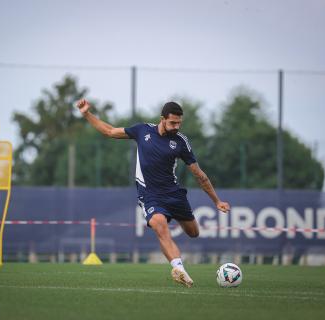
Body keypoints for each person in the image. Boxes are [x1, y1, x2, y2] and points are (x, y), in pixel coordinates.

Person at [76, 99, 230, 287]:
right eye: (173, 122)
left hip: (174, 194)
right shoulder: (143, 130)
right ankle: (179, 269)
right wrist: (86, 114)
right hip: (150, 195)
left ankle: (179, 256)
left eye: (179, 123)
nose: (177, 126)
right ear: (162, 119)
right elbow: (109, 131)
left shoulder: (181, 141)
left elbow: (200, 175)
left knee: (193, 232)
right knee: (159, 225)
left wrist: (216, 201)